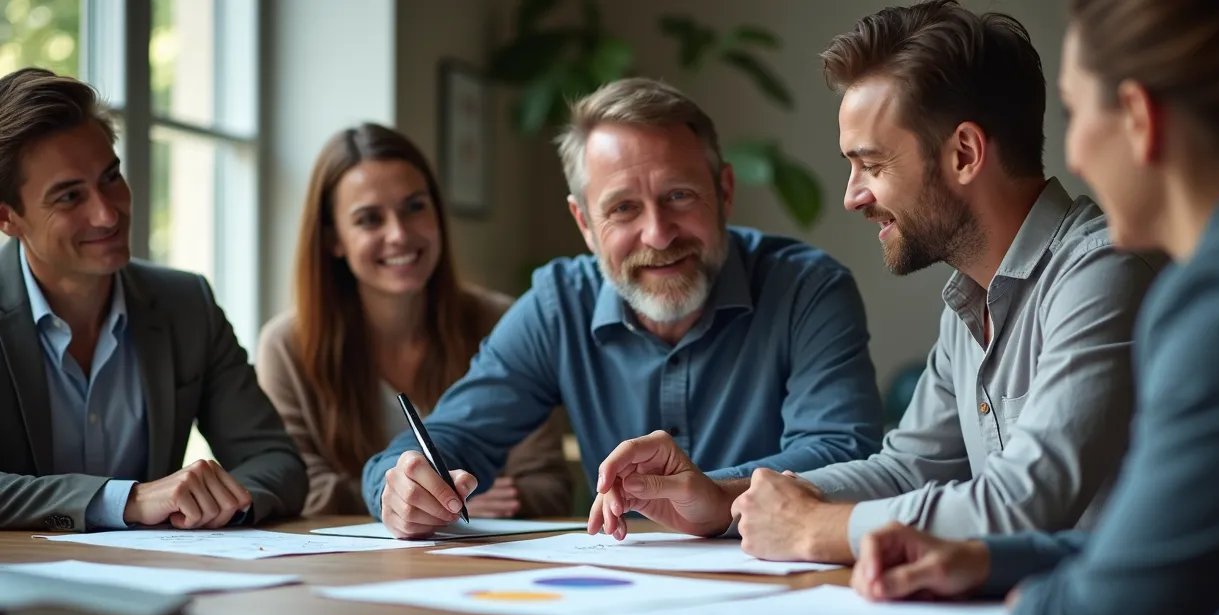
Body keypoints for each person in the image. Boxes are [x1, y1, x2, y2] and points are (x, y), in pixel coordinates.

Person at [588, 0, 1163, 564]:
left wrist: (820, 529)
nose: (852, 194)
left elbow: (1024, 503)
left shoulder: (1103, 272)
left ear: (964, 153)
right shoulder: (971, 302)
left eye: (872, 164)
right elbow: (906, 469)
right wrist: (721, 500)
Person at [849, 0, 1219, 615]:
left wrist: (1032, 609)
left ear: (1138, 118)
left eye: (1074, 111)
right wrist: (985, 561)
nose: (1069, 153)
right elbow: (1152, 543)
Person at [366, 77, 885, 539]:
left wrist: (712, 492)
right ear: (585, 223)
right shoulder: (558, 306)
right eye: (623, 208)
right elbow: (454, 435)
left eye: (679, 196)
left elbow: (842, 454)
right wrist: (402, 485)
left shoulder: (807, 289)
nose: (658, 234)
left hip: (783, 583)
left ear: (723, 192)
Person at [0, 68, 307, 532]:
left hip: (159, 583)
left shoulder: (187, 303)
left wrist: (217, 500)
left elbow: (276, 462)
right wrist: (126, 500)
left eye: (111, 177)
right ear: (8, 218)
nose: (107, 213)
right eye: (68, 196)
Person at [256, 123, 571, 519]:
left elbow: (547, 481)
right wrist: (413, 501)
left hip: (478, 557)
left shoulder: (500, 322)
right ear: (334, 239)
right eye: (370, 219)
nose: (399, 234)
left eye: (414, 207)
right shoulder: (286, 345)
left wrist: (473, 504)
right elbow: (297, 485)